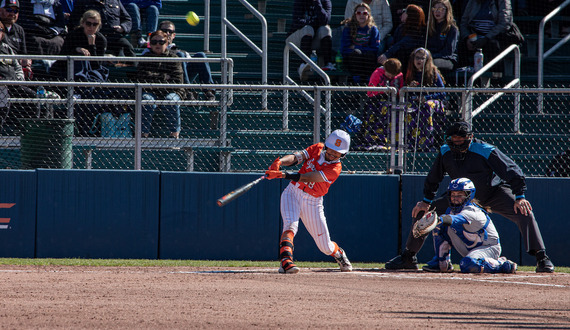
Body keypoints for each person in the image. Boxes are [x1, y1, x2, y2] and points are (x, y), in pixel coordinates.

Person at [385, 120, 555, 273]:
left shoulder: (485, 150)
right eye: (453, 140)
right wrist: (426, 201)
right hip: (458, 198)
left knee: (524, 212)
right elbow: (433, 177)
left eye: (461, 139)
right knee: (423, 214)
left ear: (471, 137)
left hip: (491, 193)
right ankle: (409, 257)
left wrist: (520, 196)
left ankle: (542, 257)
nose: (457, 143)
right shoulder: (445, 151)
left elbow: (512, 170)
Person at [264, 129, 353, 274]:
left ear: (342, 154)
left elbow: (308, 177)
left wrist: (283, 174)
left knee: (325, 247)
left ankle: (339, 254)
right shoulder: (317, 148)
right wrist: (279, 162)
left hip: (313, 201)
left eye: (336, 154)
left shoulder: (336, 168)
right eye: (330, 151)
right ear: (326, 146)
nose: (331, 155)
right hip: (293, 192)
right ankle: (286, 262)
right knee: (290, 225)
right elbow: (296, 157)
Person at [421, 178, 517, 273]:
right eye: (453, 194)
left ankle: (502, 264)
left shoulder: (472, 211)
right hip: (471, 247)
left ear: (469, 195)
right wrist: (437, 221)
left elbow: (455, 219)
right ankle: (441, 262)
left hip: (489, 247)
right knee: (439, 227)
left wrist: (438, 219)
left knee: (468, 264)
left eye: (460, 195)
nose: (455, 198)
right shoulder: (450, 211)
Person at [52, 9, 108, 135]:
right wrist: (77, 49)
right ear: (83, 23)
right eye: (88, 23)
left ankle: (84, 129)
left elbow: (97, 65)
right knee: (78, 59)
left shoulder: (100, 39)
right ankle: (78, 89)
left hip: (91, 75)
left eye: (95, 24)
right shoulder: (73, 35)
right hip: (70, 73)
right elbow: (62, 57)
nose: (91, 27)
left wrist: (91, 45)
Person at [141, 20, 214, 101]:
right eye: (164, 31)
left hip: (179, 77)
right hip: (165, 80)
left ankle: (209, 92)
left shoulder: (181, 52)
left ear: (174, 35)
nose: (168, 33)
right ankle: (187, 91)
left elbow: (185, 68)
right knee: (179, 56)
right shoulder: (149, 51)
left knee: (201, 55)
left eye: (170, 31)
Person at [136, 30, 185, 138]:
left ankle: (174, 135)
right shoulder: (145, 59)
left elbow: (176, 81)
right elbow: (142, 79)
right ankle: (143, 136)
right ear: (150, 44)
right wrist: (164, 77)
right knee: (146, 100)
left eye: (161, 42)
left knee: (170, 101)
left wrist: (153, 77)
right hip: (150, 92)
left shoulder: (174, 59)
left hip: (172, 91)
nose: (157, 44)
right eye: (154, 42)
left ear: (167, 43)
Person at [403, 47, 446, 151]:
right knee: (405, 108)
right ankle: (409, 142)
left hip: (433, 102)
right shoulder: (410, 73)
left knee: (427, 106)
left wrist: (426, 98)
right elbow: (405, 94)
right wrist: (410, 88)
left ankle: (426, 143)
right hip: (415, 102)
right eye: (417, 58)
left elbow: (442, 93)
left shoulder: (433, 72)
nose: (419, 61)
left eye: (423, 58)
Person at [356, 58, 403, 151]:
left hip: (393, 100)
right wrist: (385, 90)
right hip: (376, 100)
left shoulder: (399, 76)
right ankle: (375, 140)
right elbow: (370, 92)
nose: (391, 77)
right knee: (379, 109)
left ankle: (395, 141)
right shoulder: (377, 73)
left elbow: (400, 90)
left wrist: (394, 92)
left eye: (393, 75)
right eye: (389, 74)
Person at [286, 0, 335, 81]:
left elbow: (325, 20)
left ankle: (327, 64)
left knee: (325, 29)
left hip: (314, 38)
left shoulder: (325, 1)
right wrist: (314, 23)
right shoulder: (299, 1)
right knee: (308, 29)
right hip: (295, 39)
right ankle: (303, 64)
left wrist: (317, 3)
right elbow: (297, 22)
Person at [458, 0, 514, 69]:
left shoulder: (502, 1)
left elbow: (505, 24)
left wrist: (486, 38)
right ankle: (464, 76)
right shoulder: (472, 1)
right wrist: (467, 38)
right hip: (474, 37)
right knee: (461, 46)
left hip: (493, 37)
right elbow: (464, 23)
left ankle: (495, 76)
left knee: (493, 46)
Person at [71, 0, 135, 58]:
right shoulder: (83, 2)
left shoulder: (115, 1)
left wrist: (122, 27)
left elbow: (127, 19)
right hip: (93, 38)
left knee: (127, 47)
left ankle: (133, 69)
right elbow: (74, 20)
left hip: (113, 38)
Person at [377, 4, 426, 71]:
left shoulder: (419, 31)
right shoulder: (401, 27)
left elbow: (402, 43)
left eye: (405, 11)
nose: (402, 13)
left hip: (407, 59)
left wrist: (387, 54)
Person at [340, 3, 380, 83]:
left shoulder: (373, 29)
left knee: (369, 54)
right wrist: (359, 49)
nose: (361, 15)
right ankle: (357, 81)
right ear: (355, 15)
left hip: (367, 59)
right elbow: (344, 49)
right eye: (358, 13)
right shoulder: (348, 28)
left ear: (368, 15)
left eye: (364, 13)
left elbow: (375, 48)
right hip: (352, 60)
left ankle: (368, 81)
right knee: (356, 53)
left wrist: (357, 47)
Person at [426, 0, 458, 72]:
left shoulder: (452, 29)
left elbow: (448, 51)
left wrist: (432, 56)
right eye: (435, 8)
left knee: (431, 63)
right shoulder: (429, 27)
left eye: (440, 9)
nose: (437, 11)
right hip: (431, 57)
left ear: (447, 10)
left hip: (447, 59)